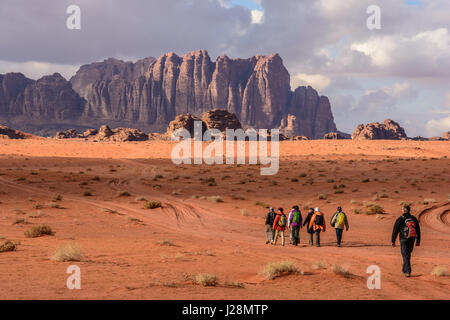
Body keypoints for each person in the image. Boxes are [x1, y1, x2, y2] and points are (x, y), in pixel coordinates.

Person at [391, 205, 421, 277]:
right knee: (408, 254)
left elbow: (395, 230)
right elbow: (418, 230)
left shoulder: (400, 219)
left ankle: (408, 271)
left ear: (404, 210)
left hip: (403, 238)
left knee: (405, 254)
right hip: (412, 238)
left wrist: (393, 240)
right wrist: (418, 241)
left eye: (402, 209)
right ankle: (404, 270)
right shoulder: (414, 218)